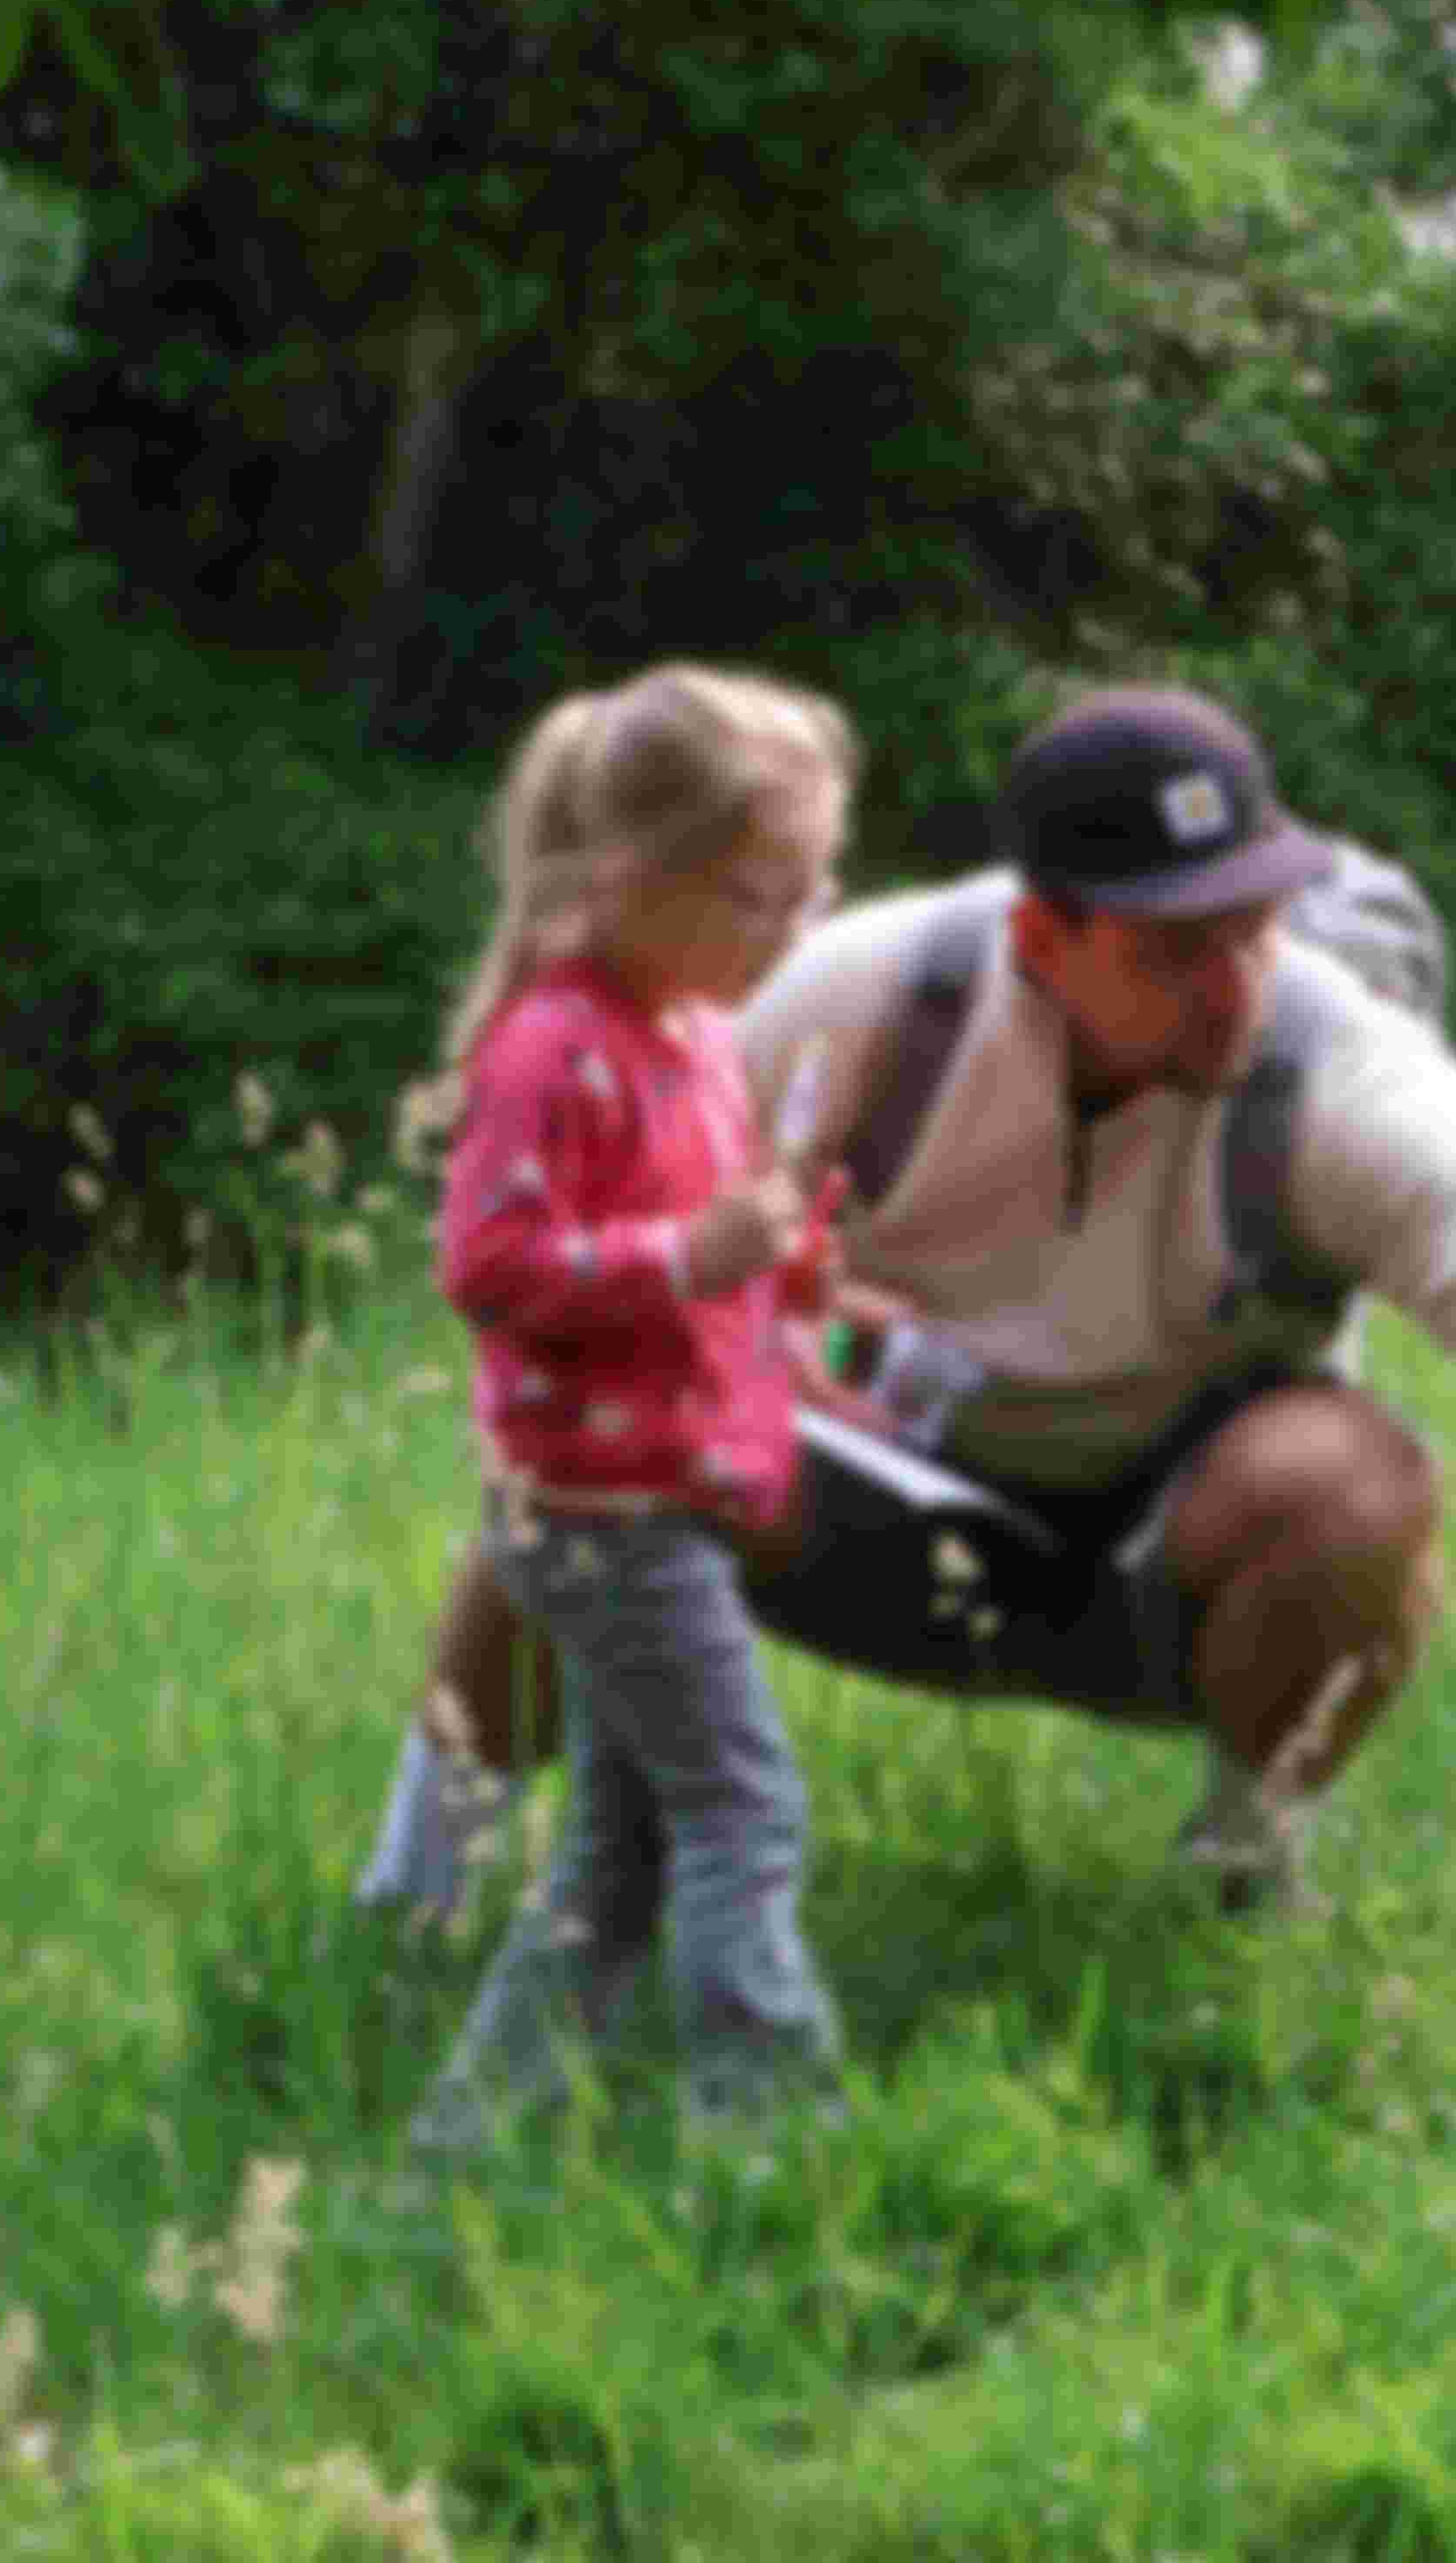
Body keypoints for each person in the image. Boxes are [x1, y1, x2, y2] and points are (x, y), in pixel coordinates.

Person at [352, 682, 1456, 1929]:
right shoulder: (866, 989)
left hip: (1166, 1562)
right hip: (870, 1490)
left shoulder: (1351, 1080)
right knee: (571, 1461)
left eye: (1254, 921)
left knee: (1361, 1484)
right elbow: (583, 1239)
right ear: (1046, 934)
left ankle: (1242, 1878)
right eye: (1173, 944)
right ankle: (421, 1890)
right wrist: (758, 1349)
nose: (1235, 978)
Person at [398, 663, 865, 2162]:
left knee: (624, 1844)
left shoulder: (699, 1034)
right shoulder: (554, 1046)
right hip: (597, 1514)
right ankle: (767, 2137)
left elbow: (707, 1239)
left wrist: (791, 1266)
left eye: (811, 894)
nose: (789, 934)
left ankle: (472, 2141)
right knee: (748, 1811)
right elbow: (489, 1267)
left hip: (669, 1495)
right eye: (753, 898)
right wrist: (686, 1256)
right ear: (625, 879)